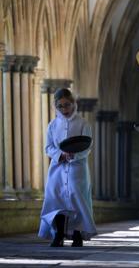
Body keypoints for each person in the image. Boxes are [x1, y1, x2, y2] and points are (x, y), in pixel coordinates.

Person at [38, 88, 96, 247]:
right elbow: (48, 147)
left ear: (73, 104)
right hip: (57, 169)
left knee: (77, 201)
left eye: (67, 105)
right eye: (61, 106)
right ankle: (59, 234)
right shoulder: (52, 125)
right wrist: (60, 155)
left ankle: (77, 233)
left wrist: (74, 156)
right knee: (56, 201)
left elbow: (87, 146)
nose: (64, 109)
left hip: (78, 169)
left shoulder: (83, 123)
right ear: (55, 106)